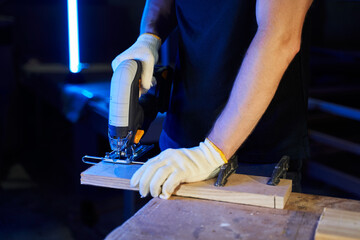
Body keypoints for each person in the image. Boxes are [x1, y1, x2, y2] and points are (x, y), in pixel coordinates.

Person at [112, 0, 313, 199]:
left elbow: (280, 36)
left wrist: (211, 154)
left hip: (258, 159)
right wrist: (149, 38)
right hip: (180, 144)